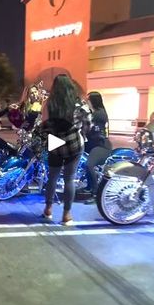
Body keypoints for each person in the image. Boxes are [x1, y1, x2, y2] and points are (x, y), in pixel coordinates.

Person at [41, 74, 92, 225]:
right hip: (74, 143)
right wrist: (80, 132)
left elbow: (44, 124)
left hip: (55, 142)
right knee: (69, 178)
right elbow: (88, 125)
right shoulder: (80, 104)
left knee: (52, 177)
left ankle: (48, 210)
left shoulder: (48, 104)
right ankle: (66, 215)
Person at [83, 91, 113, 204]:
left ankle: (96, 193)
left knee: (89, 165)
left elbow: (88, 126)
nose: (87, 102)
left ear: (93, 101)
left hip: (102, 145)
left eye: (88, 100)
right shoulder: (95, 112)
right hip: (94, 143)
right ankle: (89, 186)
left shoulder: (99, 114)